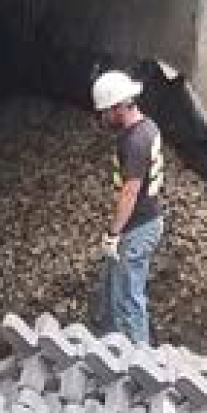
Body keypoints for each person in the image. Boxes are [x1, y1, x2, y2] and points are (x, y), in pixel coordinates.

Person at [91, 70, 166, 344]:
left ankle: (140, 365)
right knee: (114, 292)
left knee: (128, 299)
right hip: (137, 225)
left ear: (118, 107)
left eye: (105, 112)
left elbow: (130, 192)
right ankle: (112, 351)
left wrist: (114, 233)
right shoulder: (147, 127)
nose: (102, 118)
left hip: (138, 227)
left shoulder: (136, 141)